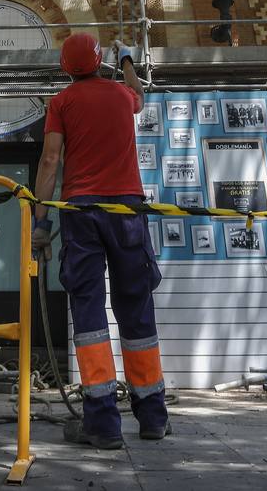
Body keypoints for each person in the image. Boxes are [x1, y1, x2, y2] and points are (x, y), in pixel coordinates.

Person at [31, 33, 168, 449]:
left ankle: (104, 423)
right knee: (136, 309)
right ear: (98, 62)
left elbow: (51, 160)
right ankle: (152, 417)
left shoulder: (61, 103)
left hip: (81, 212)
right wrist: (125, 58)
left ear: (64, 68)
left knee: (89, 312)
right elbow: (139, 94)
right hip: (126, 211)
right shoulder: (122, 95)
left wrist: (41, 222)